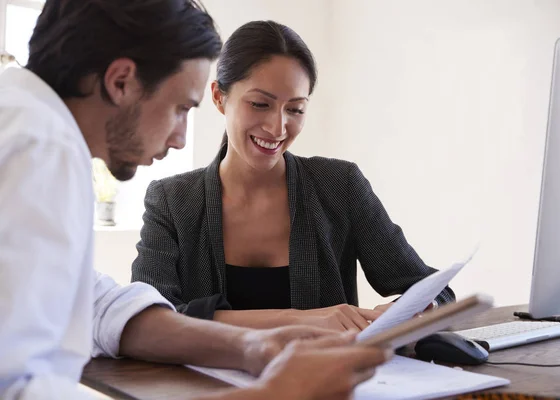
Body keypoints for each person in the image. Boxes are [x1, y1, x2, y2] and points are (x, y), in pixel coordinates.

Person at [0, 1, 389, 399]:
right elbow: (18, 388)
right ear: (121, 81)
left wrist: (253, 346)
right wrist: (274, 394)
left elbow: (95, 304)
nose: (181, 138)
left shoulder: (28, 125)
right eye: (180, 108)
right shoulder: (39, 148)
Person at [131, 20, 455, 332]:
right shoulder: (172, 202)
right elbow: (147, 317)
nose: (278, 127)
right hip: (209, 389)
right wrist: (304, 320)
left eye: (295, 109)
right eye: (260, 104)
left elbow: (435, 292)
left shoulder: (340, 185)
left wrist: (405, 315)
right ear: (219, 97)